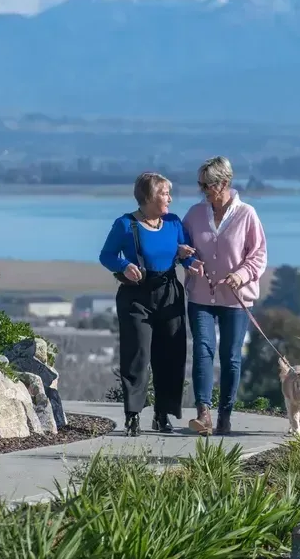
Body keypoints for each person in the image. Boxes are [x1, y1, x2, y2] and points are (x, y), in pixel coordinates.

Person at [99, 172, 201, 436]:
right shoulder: (125, 224)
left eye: (169, 193)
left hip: (169, 293)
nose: (169, 198)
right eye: (164, 193)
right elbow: (106, 255)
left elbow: (185, 254)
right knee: (137, 355)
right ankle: (132, 415)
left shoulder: (173, 222)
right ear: (148, 197)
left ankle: (162, 414)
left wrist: (190, 261)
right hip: (136, 296)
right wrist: (124, 265)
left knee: (171, 355)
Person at [182, 156, 267, 436]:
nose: (203, 190)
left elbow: (258, 255)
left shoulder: (247, 214)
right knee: (202, 349)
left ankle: (225, 416)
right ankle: (203, 413)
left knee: (231, 356)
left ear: (225, 183)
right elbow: (181, 245)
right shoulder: (195, 214)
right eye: (201, 184)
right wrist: (186, 257)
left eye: (208, 185)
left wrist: (240, 275)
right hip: (200, 296)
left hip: (235, 298)